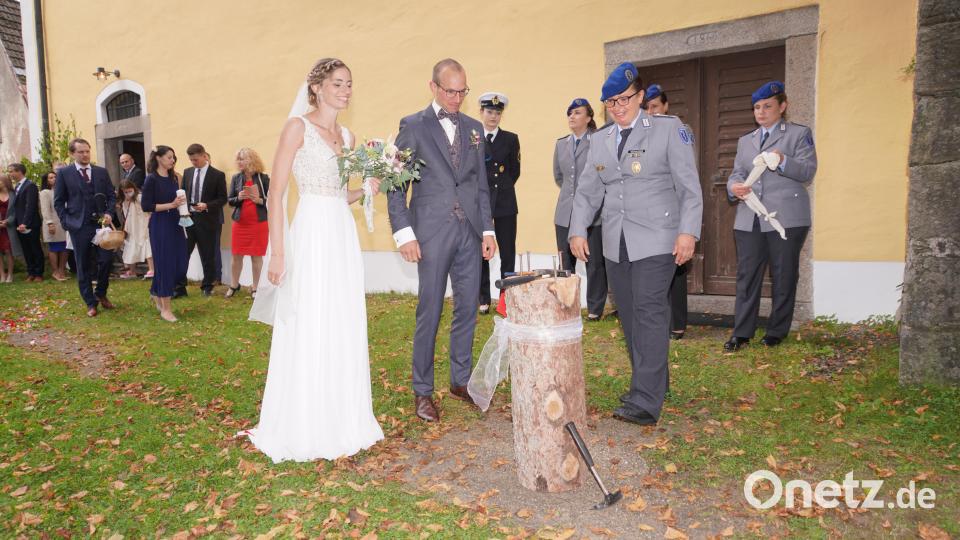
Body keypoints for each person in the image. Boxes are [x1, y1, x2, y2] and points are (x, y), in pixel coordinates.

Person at [244, 57, 384, 462]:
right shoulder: (297, 128)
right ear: (318, 87)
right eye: (338, 83)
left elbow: (341, 195)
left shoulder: (348, 136)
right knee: (310, 316)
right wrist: (279, 251)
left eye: (349, 83)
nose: (345, 90)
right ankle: (304, 420)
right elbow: (276, 193)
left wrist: (367, 189)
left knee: (341, 316)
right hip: (310, 234)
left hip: (340, 233)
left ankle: (344, 417)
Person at [569, 63, 702, 426]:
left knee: (648, 311)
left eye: (624, 99)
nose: (618, 106)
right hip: (616, 242)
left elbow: (689, 187)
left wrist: (688, 232)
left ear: (641, 97)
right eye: (611, 102)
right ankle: (655, 382)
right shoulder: (600, 140)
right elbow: (587, 192)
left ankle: (645, 400)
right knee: (629, 317)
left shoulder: (668, 130)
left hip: (658, 238)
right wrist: (578, 230)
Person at [386, 58, 497, 422]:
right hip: (430, 232)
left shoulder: (474, 128)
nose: (456, 98)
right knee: (430, 311)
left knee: (467, 308)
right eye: (450, 91)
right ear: (433, 87)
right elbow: (396, 184)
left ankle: (460, 380)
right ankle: (422, 391)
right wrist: (404, 233)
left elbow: (480, 183)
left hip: (469, 232)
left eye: (462, 91)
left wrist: (487, 230)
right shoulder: (413, 126)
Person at [724, 81, 817, 351]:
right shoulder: (746, 141)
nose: (761, 112)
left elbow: (807, 171)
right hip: (750, 216)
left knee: (783, 274)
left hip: (786, 217)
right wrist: (734, 187)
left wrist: (784, 159)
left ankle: (776, 331)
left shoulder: (799, 134)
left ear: (782, 106)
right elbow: (737, 173)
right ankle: (741, 332)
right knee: (747, 276)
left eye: (767, 106)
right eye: (756, 107)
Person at [644, 84, 692, 340]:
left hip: (672, 210)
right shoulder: (639, 134)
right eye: (647, 107)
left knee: (677, 269)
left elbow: (684, 174)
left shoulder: (679, 130)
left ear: (666, 106)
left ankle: (678, 323)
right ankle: (659, 321)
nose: (650, 112)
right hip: (649, 212)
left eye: (655, 107)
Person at [553, 98, 607, 321]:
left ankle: (594, 308)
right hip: (565, 212)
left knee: (594, 263)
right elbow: (558, 176)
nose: (572, 117)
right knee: (567, 264)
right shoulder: (561, 143)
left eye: (577, 112)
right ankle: (568, 305)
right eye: (570, 113)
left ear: (589, 117)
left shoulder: (598, 141)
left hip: (593, 215)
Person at [53, 138, 118, 317]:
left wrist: (109, 213)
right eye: (81, 152)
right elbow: (58, 202)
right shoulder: (65, 174)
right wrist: (67, 222)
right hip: (79, 225)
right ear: (72, 154)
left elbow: (112, 196)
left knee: (106, 260)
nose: (85, 155)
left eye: (87, 151)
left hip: (101, 225)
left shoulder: (100, 172)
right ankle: (90, 302)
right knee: (83, 264)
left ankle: (101, 293)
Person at [476, 92, 520, 314]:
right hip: (480, 204)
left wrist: (499, 189)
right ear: (481, 112)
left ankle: (506, 299)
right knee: (481, 252)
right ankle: (483, 298)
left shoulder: (511, 139)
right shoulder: (473, 137)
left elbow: (514, 172)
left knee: (508, 252)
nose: (493, 116)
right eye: (490, 111)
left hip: (504, 203)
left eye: (498, 112)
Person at [141, 145, 188, 322]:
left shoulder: (174, 178)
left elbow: (178, 200)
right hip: (160, 225)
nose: (172, 160)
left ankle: (156, 291)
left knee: (181, 264)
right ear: (159, 158)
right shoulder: (151, 180)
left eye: (173, 157)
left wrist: (183, 209)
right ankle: (166, 309)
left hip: (176, 223)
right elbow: (147, 206)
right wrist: (172, 205)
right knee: (165, 265)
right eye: (169, 157)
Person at [177, 144, 226, 297]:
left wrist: (206, 205)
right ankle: (179, 286)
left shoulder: (217, 175)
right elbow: (183, 193)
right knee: (183, 252)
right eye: (191, 160)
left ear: (204, 156)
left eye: (196, 160)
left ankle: (207, 285)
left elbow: (222, 199)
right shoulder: (188, 172)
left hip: (207, 220)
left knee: (207, 255)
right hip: (188, 219)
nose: (193, 163)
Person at [226, 147, 269, 299]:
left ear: (251, 160)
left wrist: (259, 200)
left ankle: (255, 287)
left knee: (256, 257)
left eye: (242, 159)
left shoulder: (263, 178)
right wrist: (239, 197)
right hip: (240, 223)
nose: (239, 162)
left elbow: (271, 201)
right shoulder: (236, 178)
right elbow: (230, 201)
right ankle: (234, 284)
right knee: (236, 256)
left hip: (258, 223)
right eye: (238, 159)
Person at [7, 163, 45, 281]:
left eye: (12, 171)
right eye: (9, 172)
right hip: (19, 224)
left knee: (35, 248)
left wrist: (25, 223)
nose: (10, 174)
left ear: (20, 172)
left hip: (30, 223)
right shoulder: (16, 187)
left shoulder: (30, 185)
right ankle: (31, 272)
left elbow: (31, 206)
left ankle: (39, 273)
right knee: (26, 249)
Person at [117, 179, 154, 279]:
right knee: (131, 248)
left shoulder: (140, 197)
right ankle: (132, 271)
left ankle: (152, 269)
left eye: (130, 191)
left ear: (133, 188)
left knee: (148, 247)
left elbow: (149, 210)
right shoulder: (124, 201)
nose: (128, 193)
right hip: (132, 227)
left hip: (143, 225)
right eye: (125, 192)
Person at [39, 171, 69, 281]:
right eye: (51, 177)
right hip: (53, 223)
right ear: (46, 181)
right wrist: (49, 223)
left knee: (65, 247)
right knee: (55, 248)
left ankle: (62, 270)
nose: (54, 179)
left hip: (64, 223)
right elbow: (45, 209)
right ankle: (55, 271)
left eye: (55, 177)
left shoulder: (62, 191)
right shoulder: (45, 192)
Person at [0, 174, 14, 282]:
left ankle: (10, 274)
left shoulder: (13, 194)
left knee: (8, 250)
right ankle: (2, 275)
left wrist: (8, 221)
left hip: (9, 226)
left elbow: (16, 211)